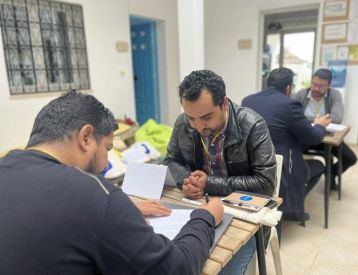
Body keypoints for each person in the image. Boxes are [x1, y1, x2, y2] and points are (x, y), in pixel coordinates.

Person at [0, 90, 224, 275]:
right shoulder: (94, 195)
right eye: (107, 148)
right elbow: (177, 269)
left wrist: (119, 208)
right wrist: (205, 217)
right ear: (86, 137)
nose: (105, 165)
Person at [163, 69, 276, 274]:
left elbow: (265, 184)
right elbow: (171, 160)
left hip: (242, 217)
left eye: (206, 117)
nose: (198, 126)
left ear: (224, 103)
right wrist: (186, 181)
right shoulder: (182, 123)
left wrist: (209, 183)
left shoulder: (252, 125)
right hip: (197, 209)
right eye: (191, 118)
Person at [242, 67, 331, 225]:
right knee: (318, 165)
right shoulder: (290, 105)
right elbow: (312, 138)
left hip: (250, 164)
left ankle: (288, 205)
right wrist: (320, 125)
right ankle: (290, 209)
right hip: (278, 168)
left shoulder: (247, 101)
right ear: (289, 88)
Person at [292, 68, 357, 188]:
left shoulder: (334, 95)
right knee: (290, 153)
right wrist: (319, 121)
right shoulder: (302, 93)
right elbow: (290, 113)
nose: (316, 88)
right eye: (314, 84)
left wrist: (306, 118)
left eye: (322, 86)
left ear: (329, 86)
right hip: (306, 137)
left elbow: (337, 118)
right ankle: (295, 180)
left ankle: (330, 174)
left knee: (350, 158)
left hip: (325, 138)